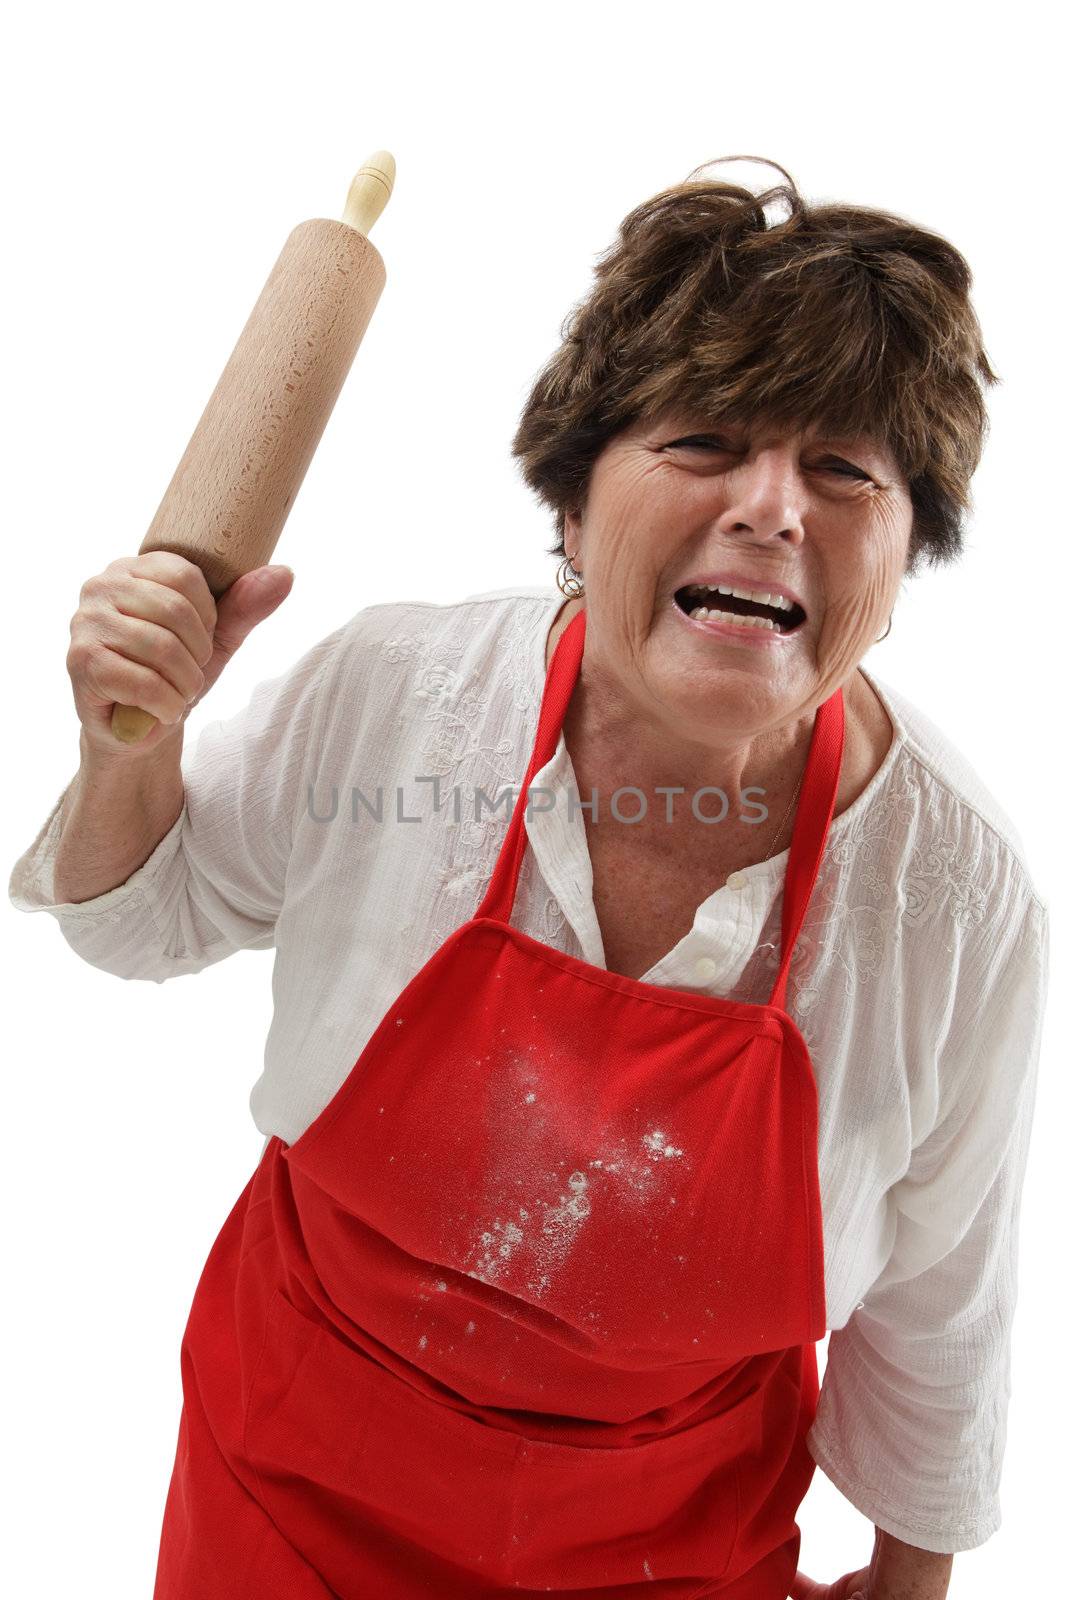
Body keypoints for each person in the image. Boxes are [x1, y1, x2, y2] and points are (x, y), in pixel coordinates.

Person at [9, 157, 1049, 1599]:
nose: (773, 507)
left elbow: (941, 1309)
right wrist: (136, 738)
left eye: (845, 469)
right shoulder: (400, 693)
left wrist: (911, 1583)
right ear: (571, 499)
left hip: (665, 1553)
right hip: (291, 1490)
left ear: (903, 547)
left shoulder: (958, 898)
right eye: (704, 442)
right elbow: (137, 920)